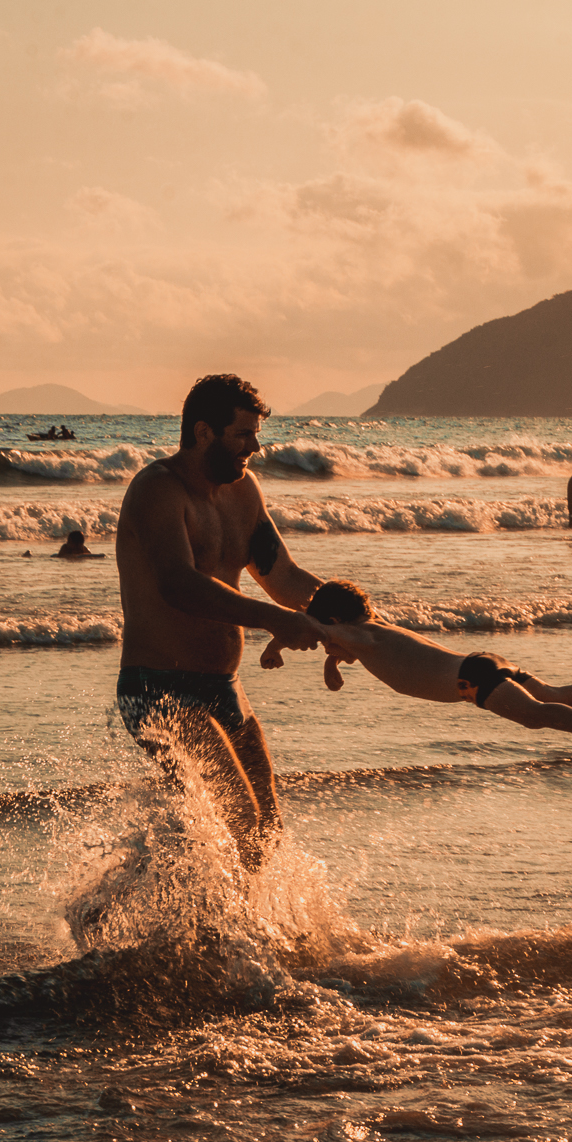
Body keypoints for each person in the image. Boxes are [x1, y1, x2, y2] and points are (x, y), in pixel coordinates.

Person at [114, 374, 327, 876]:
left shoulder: (243, 490)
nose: (255, 447)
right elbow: (179, 586)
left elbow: (284, 576)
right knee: (241, 821)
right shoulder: (157, 490)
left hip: (225, 687)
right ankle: (224, 945)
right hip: (157, 689)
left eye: (256, 434)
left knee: (266, 827)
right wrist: (277, 620)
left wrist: (352, 617)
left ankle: (147, 915)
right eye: (243, 435)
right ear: (204, 432)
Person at [273, 579, 572, 768]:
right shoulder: (373, 632)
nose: (326, 645)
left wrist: (274, 645)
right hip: (480, 662)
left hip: (470, 680)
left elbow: (309, 627)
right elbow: (348, 648)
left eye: (329, 635)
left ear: (337, 620)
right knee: (550, 694)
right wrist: (331, 665)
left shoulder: (357, 633)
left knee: (534, 717)